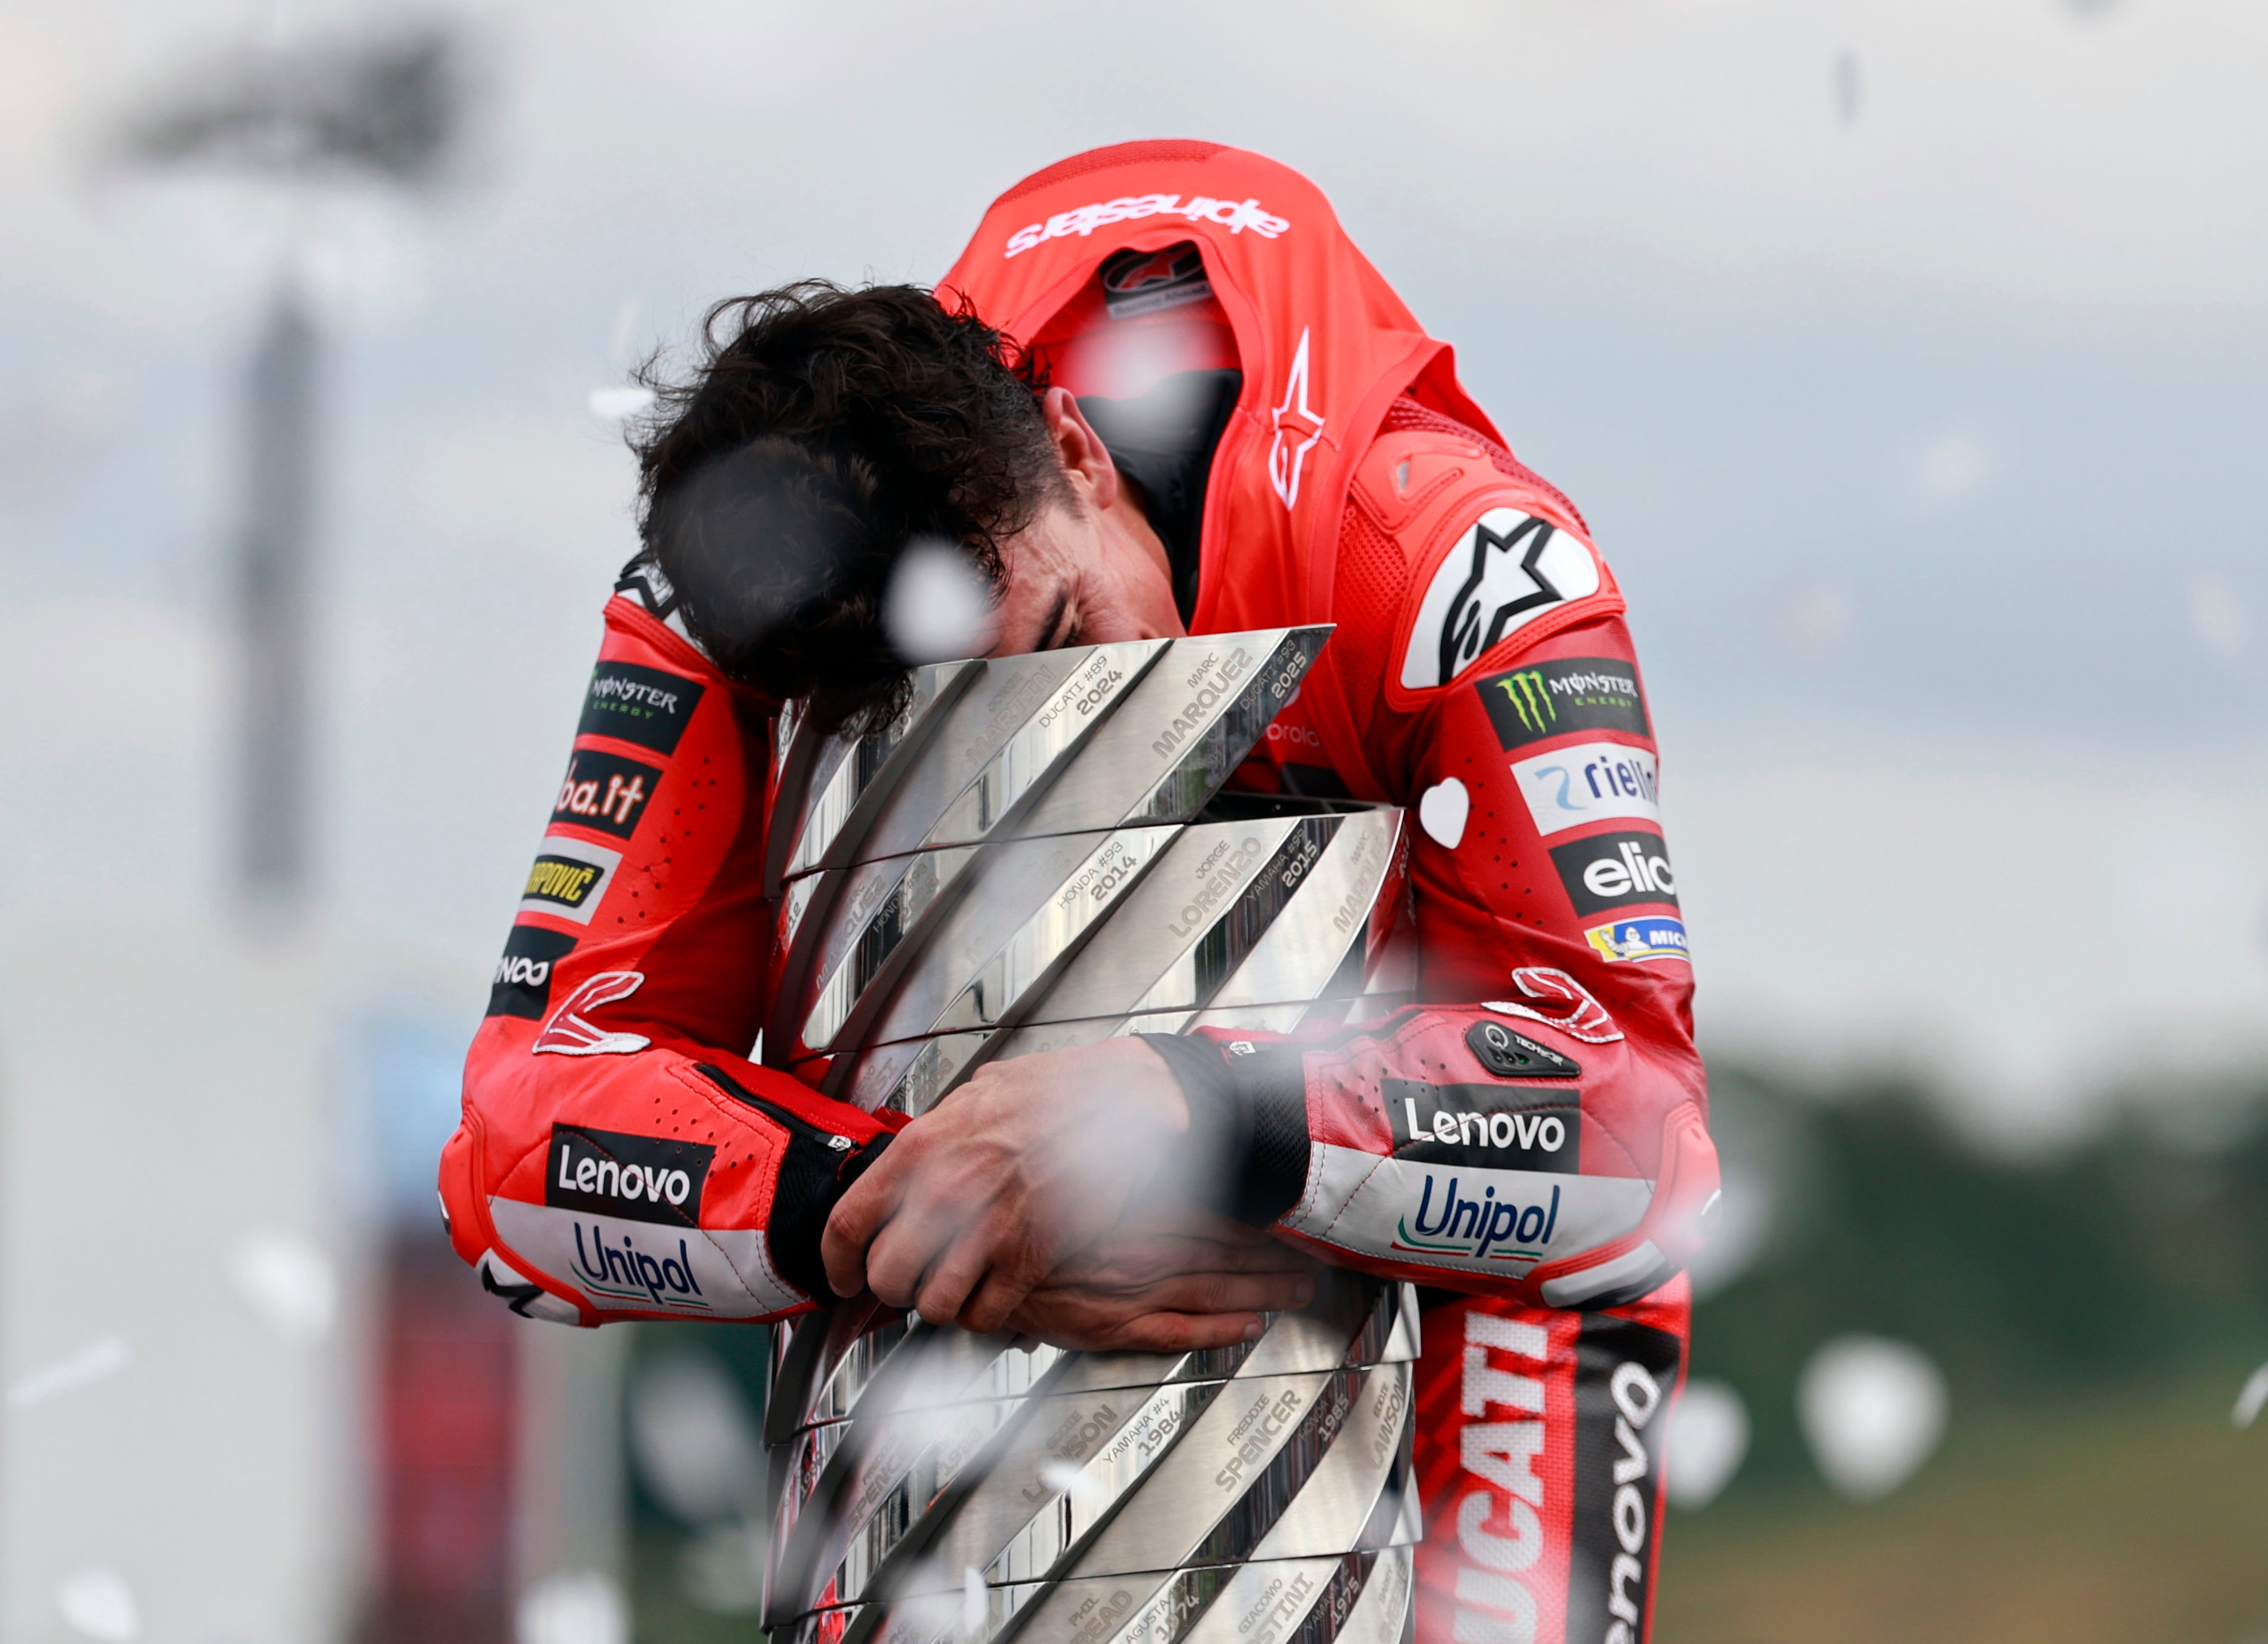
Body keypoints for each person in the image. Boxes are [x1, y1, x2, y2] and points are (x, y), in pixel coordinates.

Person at [441, 141, 1717, 1644]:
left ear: (1079, 451)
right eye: (936, 748)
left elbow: (1643, 1143)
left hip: (1460, 1284)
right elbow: (511, 1164)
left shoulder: (1450, 559)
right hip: (939, 1328)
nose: (1059, 749)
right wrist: (878, 1196)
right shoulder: (713, 616)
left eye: (1057, 643)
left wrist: (1186, 1114)